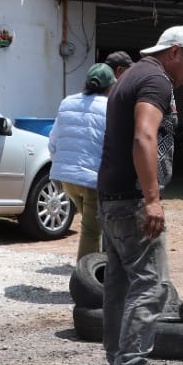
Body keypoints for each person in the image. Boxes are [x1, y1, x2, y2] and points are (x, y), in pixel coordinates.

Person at [96, 25, 183, 365]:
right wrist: (152, 199)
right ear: (174, 52)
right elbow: (144, 136)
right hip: (131, 200)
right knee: (152, 286)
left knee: (120, 289)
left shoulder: (132, 76)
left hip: (111, 196)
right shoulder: (156, 80)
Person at [47, 63, 116, 259]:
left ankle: (101, 270)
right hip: (92, 180)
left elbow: (53, 142)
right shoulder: (110, 107)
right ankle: (86, 283)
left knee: (92, 224)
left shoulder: (67, 102)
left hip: (67, 180)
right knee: (91, 232)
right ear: (110, 87)